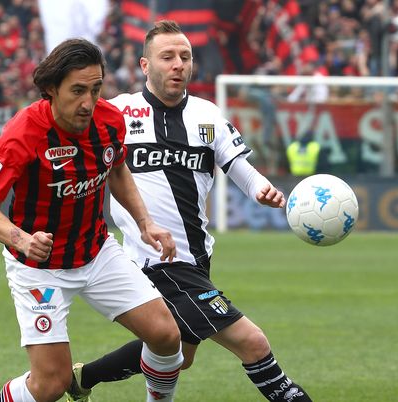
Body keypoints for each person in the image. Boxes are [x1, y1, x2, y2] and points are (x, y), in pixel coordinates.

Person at [66, 21, 313, 402]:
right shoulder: (116, 113)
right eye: (167, 57)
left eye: (185, 57)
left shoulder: (206, 115)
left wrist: (261, 188)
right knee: (252, 341)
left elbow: (238, 166)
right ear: (146, 66)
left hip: (197, 258)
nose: (178, 64)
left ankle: (83, 378)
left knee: (180, 353)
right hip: (155, 260)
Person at [0, 38, 184, 402]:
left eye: (96, 88)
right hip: (39, 268)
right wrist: (21, 239)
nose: (88, 102)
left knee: (167, 336)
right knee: (50, 385)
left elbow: (116, 169)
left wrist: (145, 222)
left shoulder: (109, 121)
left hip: (96, 251)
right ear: (51, 90)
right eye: (77, 91)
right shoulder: (22, 133)